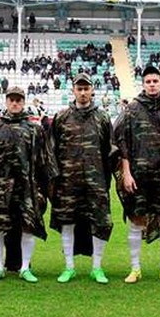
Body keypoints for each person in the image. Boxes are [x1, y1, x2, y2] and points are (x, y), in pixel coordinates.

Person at [114, 66, 160, 284]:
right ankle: (135, 268)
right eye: (148, 81)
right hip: (138, 175)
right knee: (136, 220)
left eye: (156, 81)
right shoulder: (132, 110)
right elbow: (122, 143)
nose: (152, 84)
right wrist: (126, 173)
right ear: (143, 84)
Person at [0, 86, 57, 283]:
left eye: (18, 100)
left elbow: (45, 160)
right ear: (6, 102)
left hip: (27, 188)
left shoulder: (34, 130)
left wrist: (43, 188)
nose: (15, 103)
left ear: (24, 102)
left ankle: (24, 268)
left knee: (27, 227)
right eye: (11, 100)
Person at [49, 73, 115, 284]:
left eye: (87, 88)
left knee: (100, 222)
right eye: (80, 88)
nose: (83, 92)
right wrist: (55, 179)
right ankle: (69, 267)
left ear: (92, 90)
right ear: (73, 91)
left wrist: (105, 178)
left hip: (96, 182)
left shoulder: (103, 118)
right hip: (68, 182)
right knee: (67, 222)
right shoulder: (62, 117)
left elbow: (110, 151)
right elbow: (51, 150)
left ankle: (97, 267)